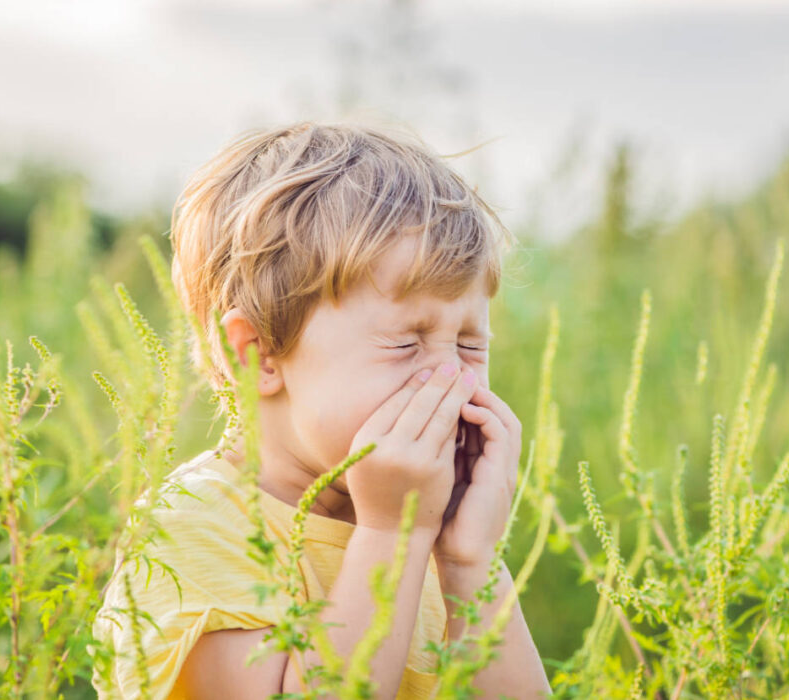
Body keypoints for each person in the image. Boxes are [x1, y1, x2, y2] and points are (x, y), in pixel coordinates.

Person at [92, 121, 551, 699]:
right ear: (256, 354)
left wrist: (471, 562)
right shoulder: (197, 528)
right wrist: (391, 535)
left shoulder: (436, 532)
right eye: (406, 343)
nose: (452, 381)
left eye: (469, 345)